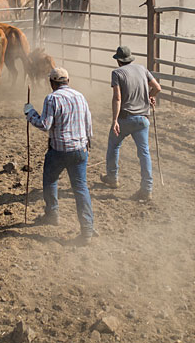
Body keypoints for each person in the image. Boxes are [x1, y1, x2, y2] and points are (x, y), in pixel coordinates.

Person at [24, 67, 95, 246]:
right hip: (80, 149)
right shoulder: (80, 96)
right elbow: (88, 122)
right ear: (68, 81)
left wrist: (30, 113)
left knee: (50, 180)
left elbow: (45, 125)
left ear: (52, 83)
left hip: (59, 149)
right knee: (80, 187)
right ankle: (87, 229)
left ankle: (52, 214)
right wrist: (87, 144)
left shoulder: (52, 98)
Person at [101, 46, 162, 201]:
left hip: (125, 118)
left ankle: (112, 178)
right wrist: (149, 97)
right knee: (144, 153)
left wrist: (115, 120)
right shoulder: (142, 69)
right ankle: (147, 188)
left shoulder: (117, 73)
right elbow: (157, 88)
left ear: (118, 60)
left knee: (114, 146)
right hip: (142, 119)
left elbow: (117, 98)